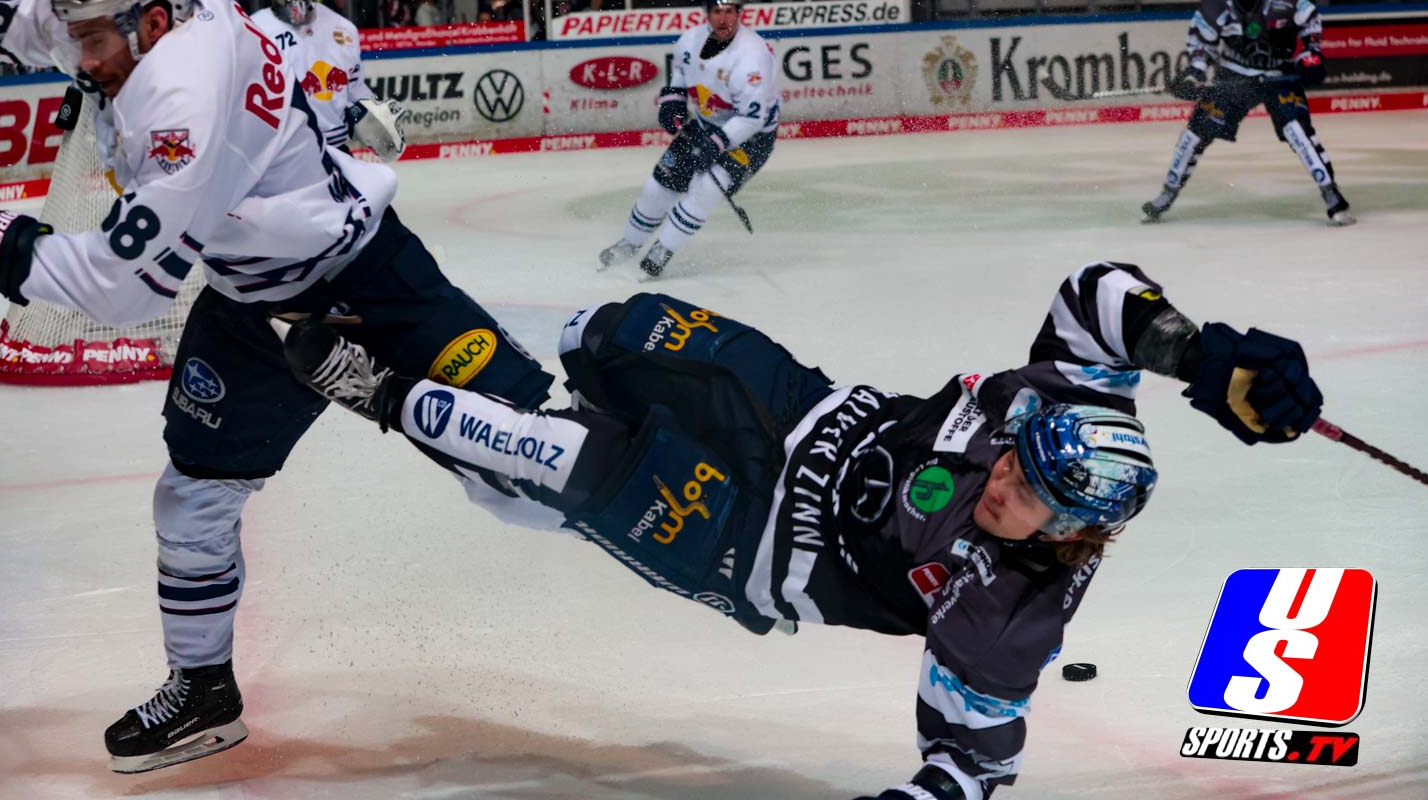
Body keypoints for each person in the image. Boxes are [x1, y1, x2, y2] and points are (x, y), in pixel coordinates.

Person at [277, 261, 1326, 800]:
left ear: (1075, 534)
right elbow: (1094, 293)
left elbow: (972, 763)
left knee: (559, 463)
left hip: (744, 543)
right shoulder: (1061, 410)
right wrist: (1203, 354)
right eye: (1017, 449)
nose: (1006, 471)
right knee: (592, 335)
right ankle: (487, 424)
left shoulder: (1008, 619)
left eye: (1032, 488)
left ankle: (382, 392)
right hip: (793, 404)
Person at [0, 0, 553, 773]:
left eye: (96, 41)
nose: (83, 60)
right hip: (249, 300)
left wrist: (5, 252)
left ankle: (674, 481)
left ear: (152, 25)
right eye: (78, 37)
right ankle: (204, 692)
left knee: (527, 466)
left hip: (362, 280)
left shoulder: (183, 94)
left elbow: (127, 283)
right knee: (190, 500)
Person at [1142, 0, 1354, 226]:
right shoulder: (1215, 3)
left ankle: (1331, 194)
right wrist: (1195, 70)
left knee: (1297, 131)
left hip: (1278, 75)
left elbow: (1311, 20)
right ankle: (1167, 193)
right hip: (1235, 77)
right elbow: (1200, 43)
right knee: (1196, 132)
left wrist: (1311, 52)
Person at [597, 0, 778, 278]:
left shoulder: (752, 57)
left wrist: (718, 143)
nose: (724, 19)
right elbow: (681, 72)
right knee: (658, 186)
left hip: (751, 137)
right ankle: (629, 243)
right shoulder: (690, 41)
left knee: (706, 189)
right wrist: (673, 102)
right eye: (717, 11)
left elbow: (751, 118)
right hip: (707, 124)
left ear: (739, 13)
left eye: (730, 11)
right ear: (706, 14)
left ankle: (663, 249)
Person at [251, 0, 405, 160]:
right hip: (281, 156)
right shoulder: (254, 31)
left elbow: (355, 89)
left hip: (335, 150)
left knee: (384, 185)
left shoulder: (343, 29)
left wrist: (371, 117)